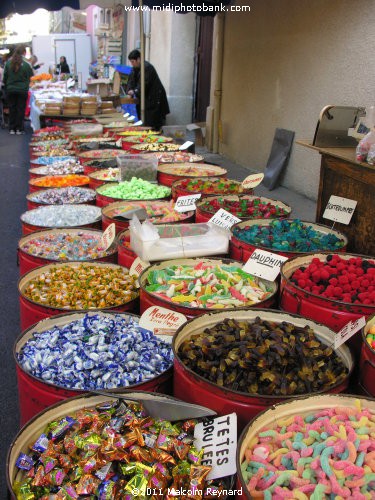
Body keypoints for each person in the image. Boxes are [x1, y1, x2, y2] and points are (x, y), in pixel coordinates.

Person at [126, 49, 170, 130]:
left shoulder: (147, 68)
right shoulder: (135, 68)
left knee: (152, 124)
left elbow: (144, 84)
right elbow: (131, 81)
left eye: (133, 61)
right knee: (143, 121)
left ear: (138, 59)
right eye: (131, 62)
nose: (132, 64)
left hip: (154, 101)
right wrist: (129, 90)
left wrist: (135, 91)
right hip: (146, 101)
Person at [3, 45, 33, 135]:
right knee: (20, 109)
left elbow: (5, 77)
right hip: (22, 90)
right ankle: (19, 128)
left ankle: (12, 128)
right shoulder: (26, 65)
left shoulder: (8, 64)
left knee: (12, 109)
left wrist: (8, 84)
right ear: (22, 53)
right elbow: (30, 76)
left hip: (11, 89)